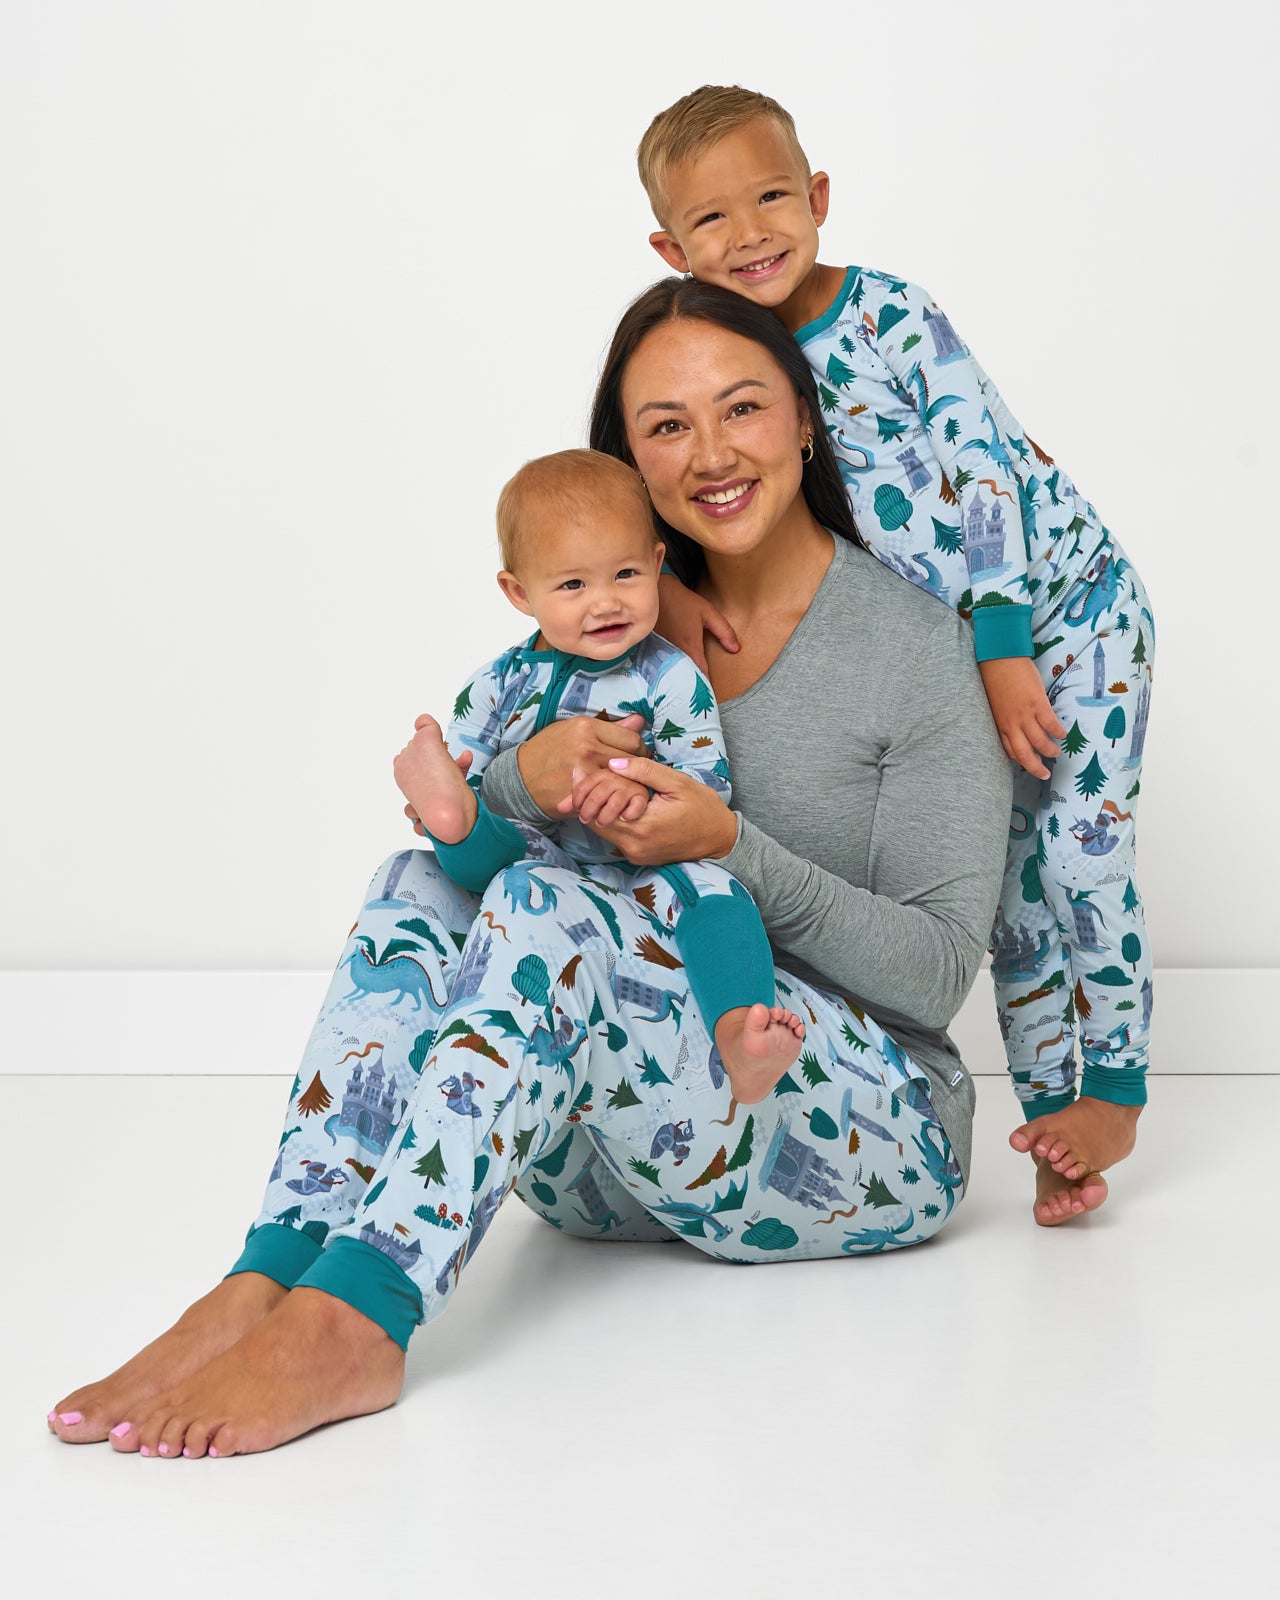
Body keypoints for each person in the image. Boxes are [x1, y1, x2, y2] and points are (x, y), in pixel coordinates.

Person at [46, 280, 1010, 1460]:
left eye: (742, 407)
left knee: (552, 902)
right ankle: (275, 1270)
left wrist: (725, 845)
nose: (708, 449)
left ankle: (359, 1316)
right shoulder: (599, 631)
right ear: (628, 468)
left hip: (852, 1132)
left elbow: (933, 972)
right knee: (418, 884)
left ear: (803, 422)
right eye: (664, 424)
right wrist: (517, 775)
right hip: (604, 1165)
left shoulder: (910, 649)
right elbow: (495, 837)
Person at [634, 85, 1153, 1223]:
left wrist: (1006, 640)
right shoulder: (730, 362)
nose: (750, 234)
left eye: (771, 198)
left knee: (1075, 854)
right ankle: (1051, 1115)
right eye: (711, 222)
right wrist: (668, 588)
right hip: (964, 647)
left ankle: (1113, 1085)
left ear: (818, 197)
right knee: (1007, 892)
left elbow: (981, 475)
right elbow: (698, 483)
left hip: (1063, 611)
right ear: (671, 250)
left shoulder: (888, 318)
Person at [396, 445, 807, 1105]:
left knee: (714, 892)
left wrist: (640, 794)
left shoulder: (670, 678)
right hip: (543, 863)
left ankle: (739, 1034)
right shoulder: (497, 684)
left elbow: (709, 788)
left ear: (656, 563)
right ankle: (451, 818)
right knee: (480, 839)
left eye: (623, 574)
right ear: (518, 593)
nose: (605, 603)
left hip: (643, 872)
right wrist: (458, 792)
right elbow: (476, 766)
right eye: (572, 585)